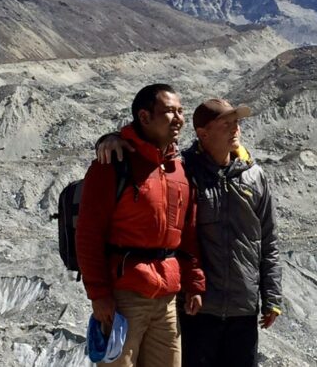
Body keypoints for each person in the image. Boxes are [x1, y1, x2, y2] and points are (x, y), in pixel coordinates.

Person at [98, 98, 282, 367]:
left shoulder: (255, 176)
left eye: (237, 123)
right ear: (203, 134)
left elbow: (268, 241)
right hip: (197, 308)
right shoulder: (182, 170)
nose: (236, 130)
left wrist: (272, 298)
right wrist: (110, 138)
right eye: (227, 124)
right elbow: (148, 149)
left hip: (243, 307)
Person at [77, 84, 205, 367]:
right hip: (124, 297)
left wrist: (194, 282)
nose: (179, 119)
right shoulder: (112, 164)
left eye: (181, 111)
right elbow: (88, 235)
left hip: (168, 296)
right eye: (169, 112)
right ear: (144, 117)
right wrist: (99, 295)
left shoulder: (179, 169)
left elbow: (188, 232)